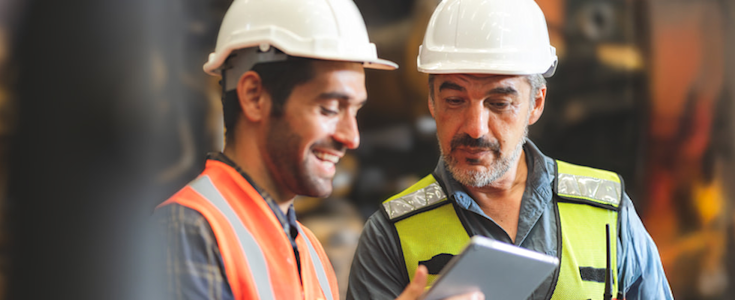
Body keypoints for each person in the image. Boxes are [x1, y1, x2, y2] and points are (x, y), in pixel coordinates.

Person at [154, 0, 484, 299]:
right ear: (254, 96)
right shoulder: (187, 230)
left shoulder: (310, 252)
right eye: (329, 109)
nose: (351, 137)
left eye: (354, 111)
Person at [346, 0, 674, 299]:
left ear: (536, 104)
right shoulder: (390, 236)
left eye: (500, 103)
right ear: (432, 102)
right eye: (455, 100)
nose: (475, 127)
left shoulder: (607, 213)